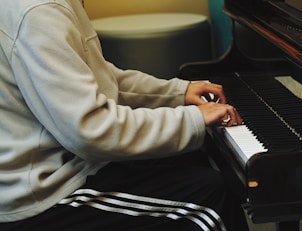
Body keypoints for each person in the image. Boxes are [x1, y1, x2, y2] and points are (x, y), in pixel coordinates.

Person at [0, 0, 249, 230]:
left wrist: (178, 92)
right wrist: (193, 118)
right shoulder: (39, 10)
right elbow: (91, 131)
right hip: (42, 190)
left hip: (66, 161)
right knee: (209, 198)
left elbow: (96, 77)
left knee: (192, 157)